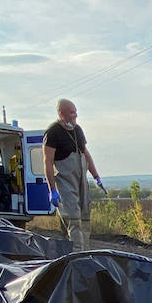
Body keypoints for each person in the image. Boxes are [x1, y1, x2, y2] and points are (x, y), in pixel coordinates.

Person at [43, 98, 105, 252]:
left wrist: (96, 177)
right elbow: (48, 162)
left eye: (76, 112)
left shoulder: (77, 130)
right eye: (71, 113)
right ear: (61, 113)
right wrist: (52, 190)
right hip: (65, 184)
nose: (75, 115)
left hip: (81, 182)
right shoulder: (53, 133)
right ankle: (77, 257)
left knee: (85, 220)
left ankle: (86, 253)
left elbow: (86, 154)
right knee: (74, 221)